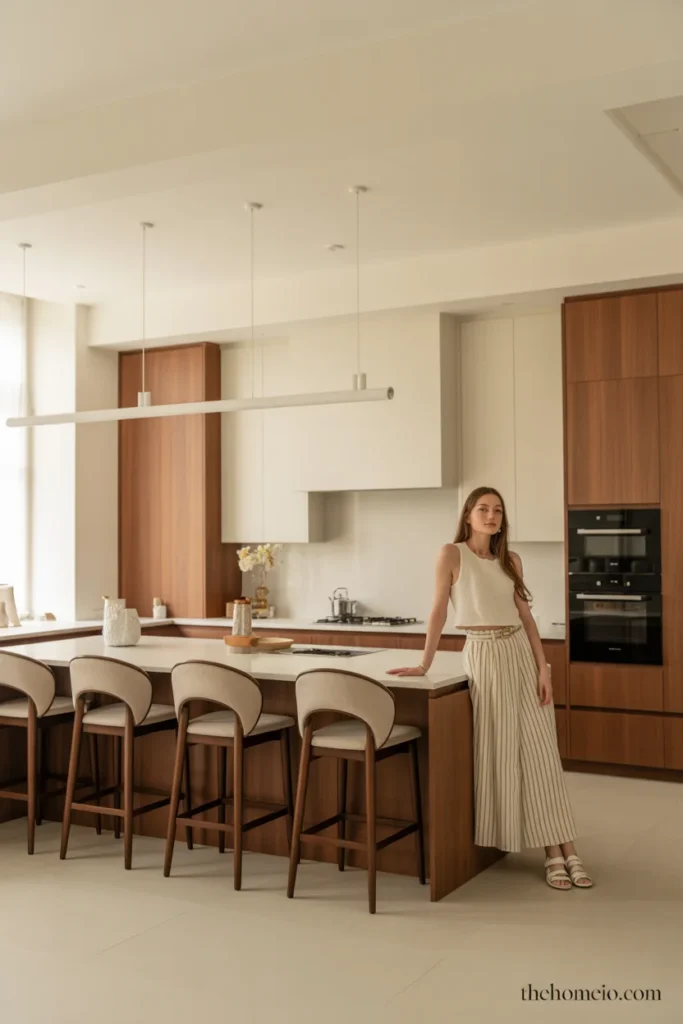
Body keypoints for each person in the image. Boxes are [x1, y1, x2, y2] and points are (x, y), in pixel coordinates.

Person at [388, 486, 592, 890]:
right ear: (468, 515)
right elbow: (439, 609)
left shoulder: (510, 560)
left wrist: (543, 669)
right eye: (482, 508)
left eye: (497, 510)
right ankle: (554, 852)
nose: (491, 515)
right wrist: (424, 662)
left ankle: (563, 850)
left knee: (541, 751)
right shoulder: (451, 553)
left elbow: (527, 619)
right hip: (482, 656)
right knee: (504, 753)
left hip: (519, 652)